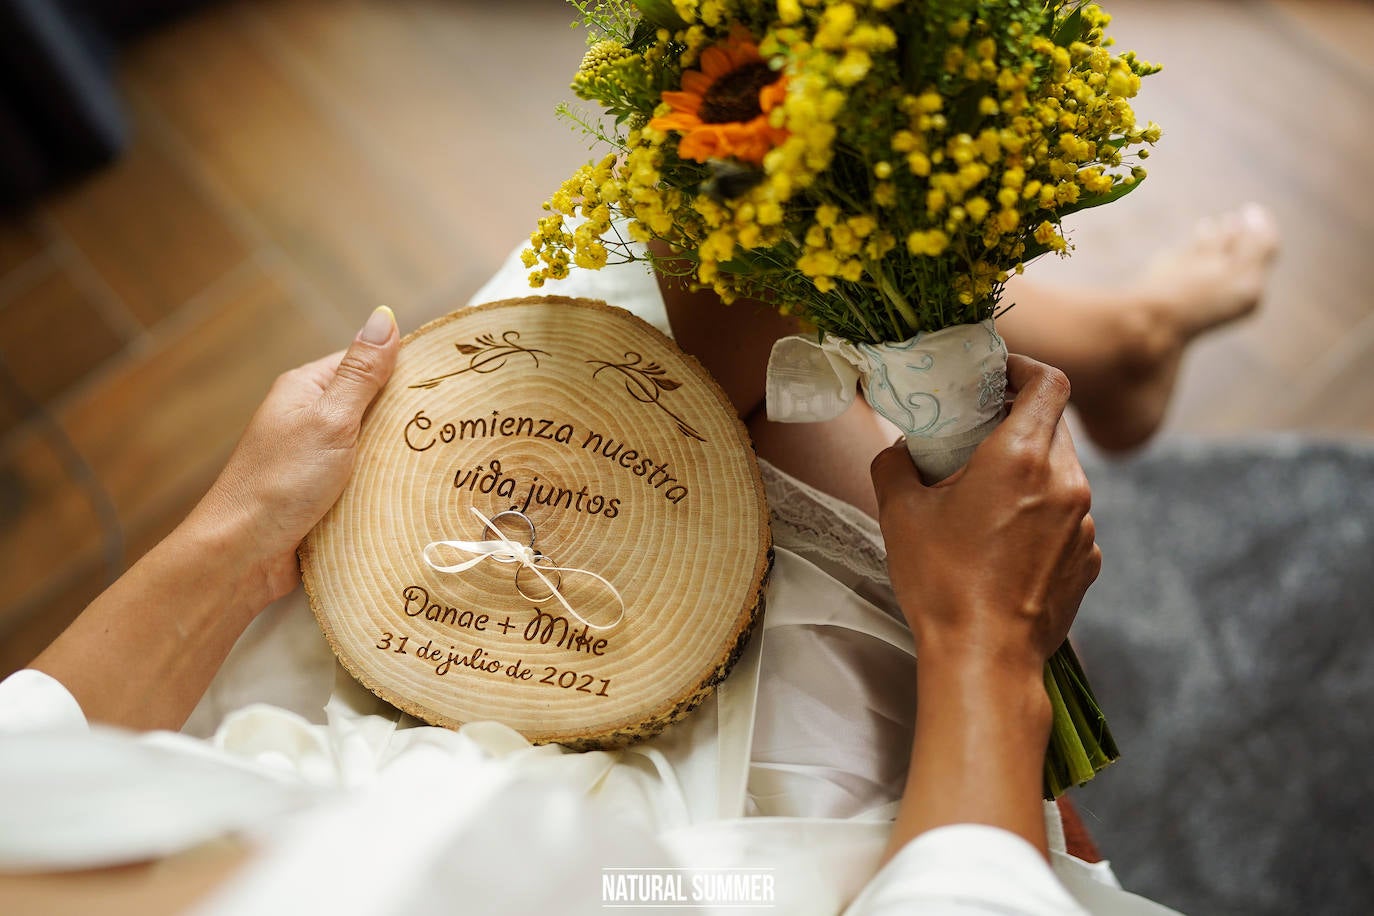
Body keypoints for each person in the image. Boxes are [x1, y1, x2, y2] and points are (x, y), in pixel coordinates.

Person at [0, 205, 1278, 915]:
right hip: (736, 871)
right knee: (749, 248)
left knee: (690, 218)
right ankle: (1124, 345)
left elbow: (31, 754)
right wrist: (987, 640)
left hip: (331, 725)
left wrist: (237, 531)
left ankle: (1116, 342)